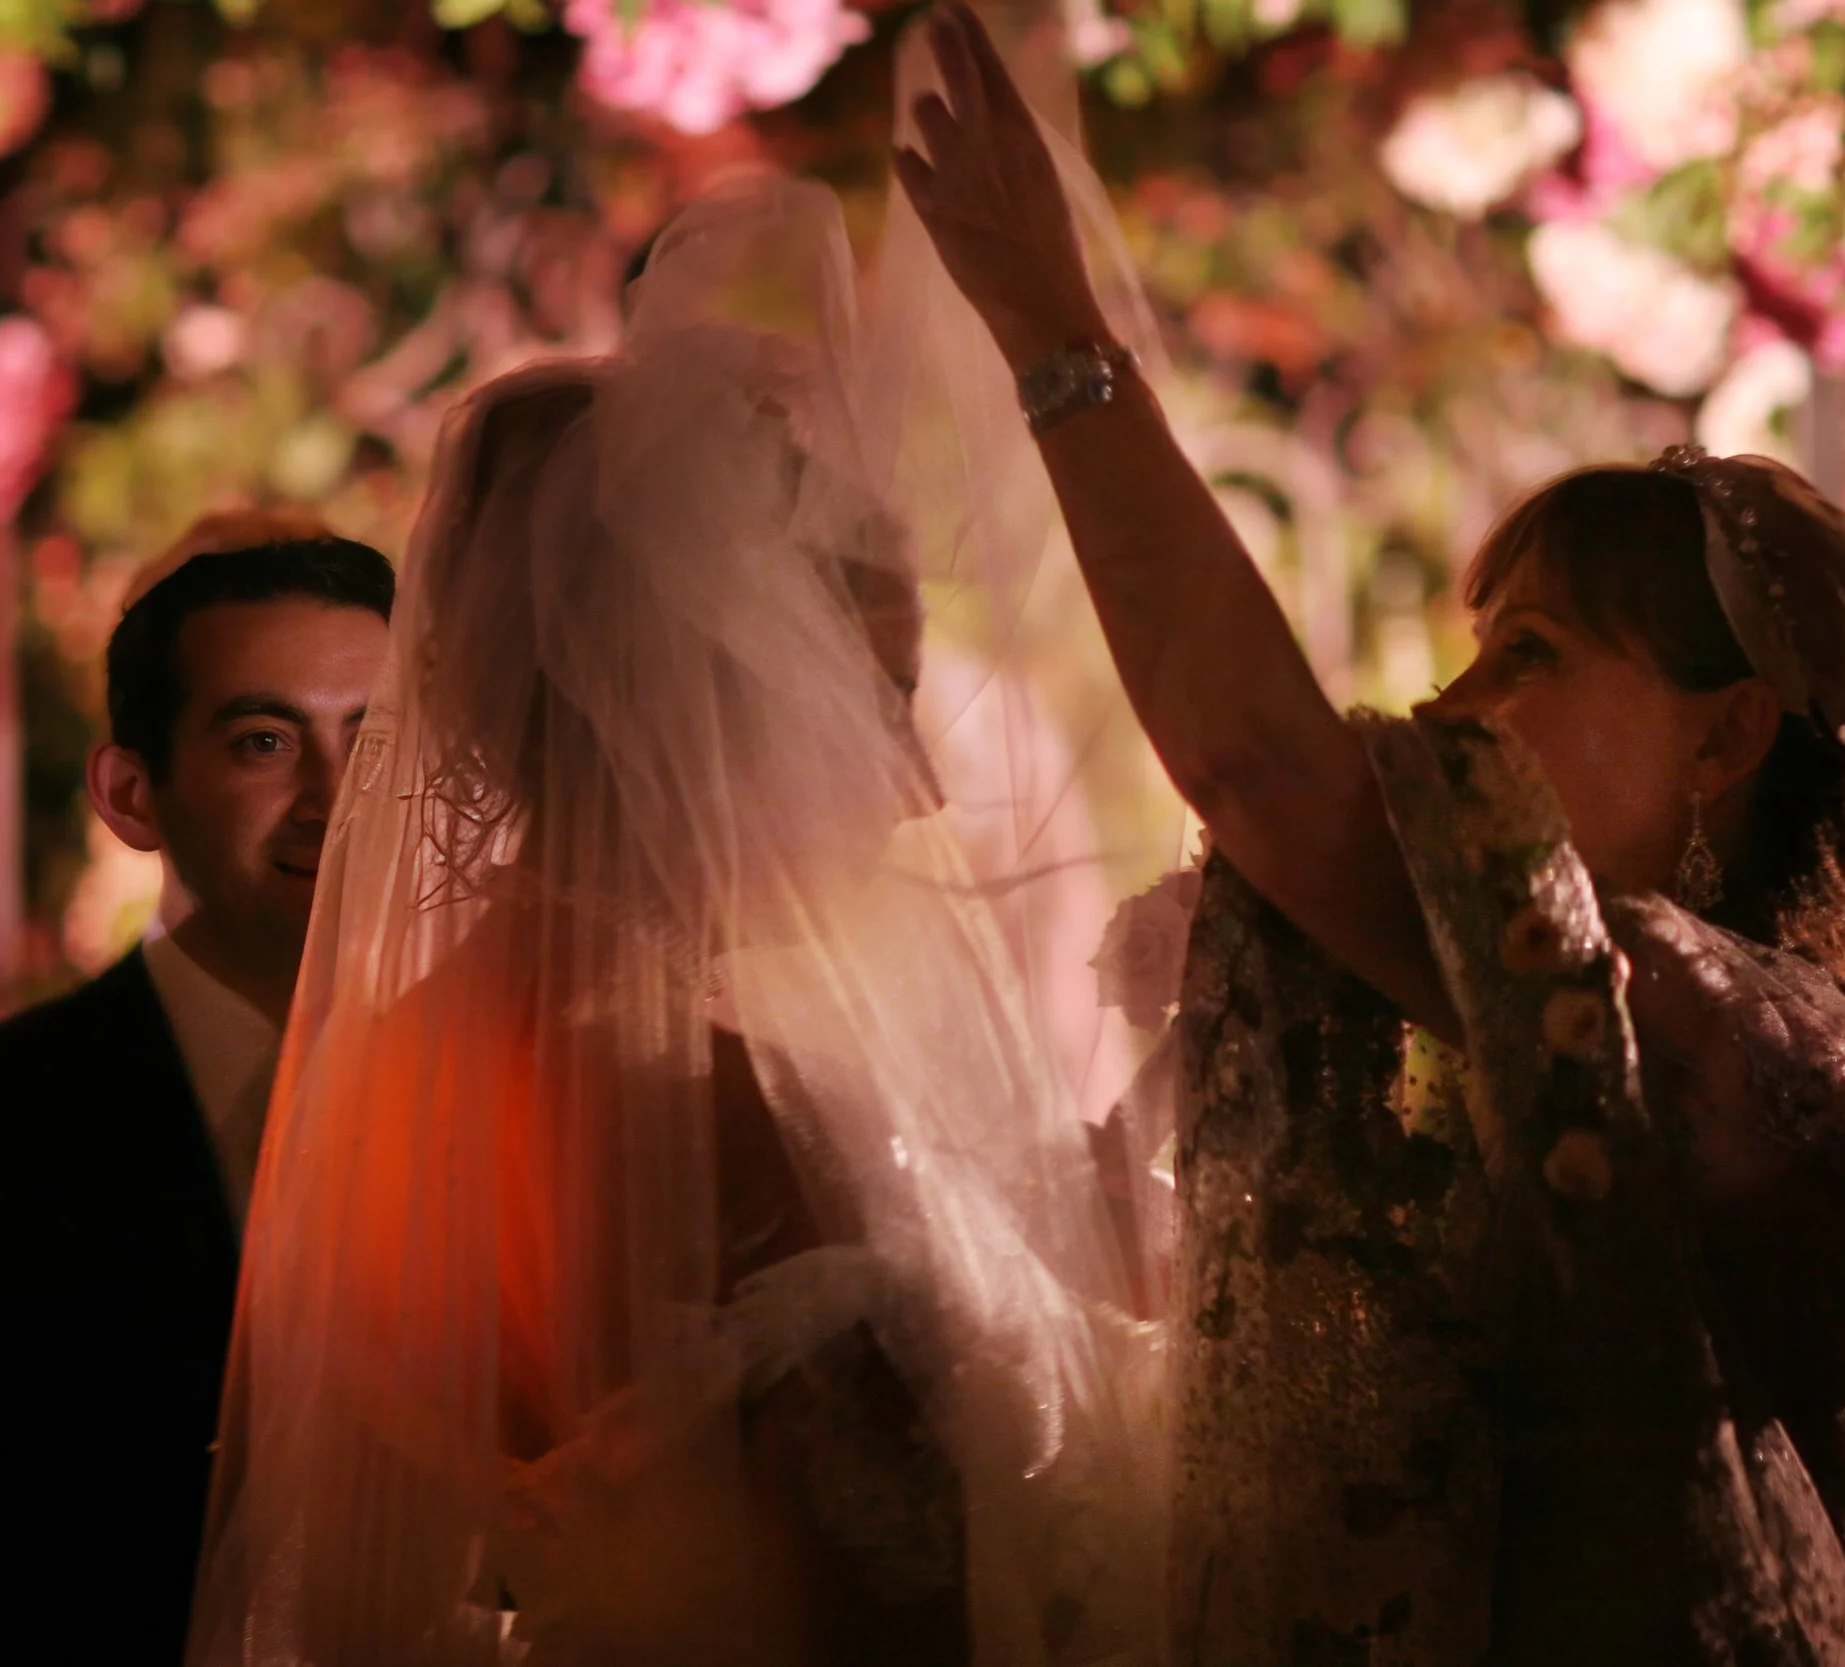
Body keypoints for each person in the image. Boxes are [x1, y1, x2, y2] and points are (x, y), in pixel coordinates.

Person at [894, 7, 1845, 1659]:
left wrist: (1055, 334)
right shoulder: (1529, 1027)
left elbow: (1261, 769)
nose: (1453, 703)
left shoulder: (1752, 1033)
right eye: (1477, 646)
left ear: (1725, 734)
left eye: (1535, 656)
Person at [187, 176, 1163, 1667]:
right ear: (694, 710)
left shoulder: (401, 1052)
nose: (915, 788)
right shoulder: (724, 1116)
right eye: (875, 701)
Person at [0, 514, 394, 1667]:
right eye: (265, 742)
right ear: (131, 794)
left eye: (376, 739)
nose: (335, 795)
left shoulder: (520, 1083)